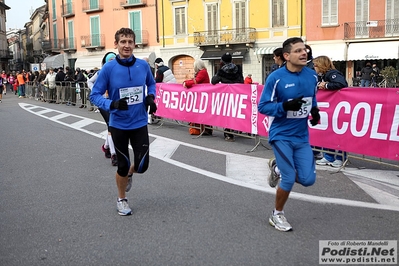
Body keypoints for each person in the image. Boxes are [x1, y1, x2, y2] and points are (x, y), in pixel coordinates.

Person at [90, 27, 157, 216]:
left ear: (134, 44)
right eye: (123, 42)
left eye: (130, 42)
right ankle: (121, 199)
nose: (126, 45)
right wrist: (112, 104)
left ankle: (129, 174)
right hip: (118, 124)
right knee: (121, 164)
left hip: (139, 122)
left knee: (142, 166)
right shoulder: (109, 68)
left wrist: (151, 97)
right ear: (116, 44)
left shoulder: (143, 66)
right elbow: (94, 95)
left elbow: (151, 83)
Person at [258, 37, 320, 232]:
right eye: (298, 51)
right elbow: (263, 106)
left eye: (305, 50)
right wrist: (284, 106)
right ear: (286, 56)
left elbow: (312, 98)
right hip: (281, 134)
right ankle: (277, 214)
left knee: (308, 179)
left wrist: (315, 111)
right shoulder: (276, 78)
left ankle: (277, 168)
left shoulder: (312, 76)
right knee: (289, 177)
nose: (304, 53)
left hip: (302, 136)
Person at [312, 55, 348, 168]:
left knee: (338, 134)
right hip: (329, 108)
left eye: (316, 65)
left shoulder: (332, 74)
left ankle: (340, 158)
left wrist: (326, 85)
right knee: (328, 133)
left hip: (338, 107)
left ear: (321, 65)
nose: (314, 67)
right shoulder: (321, 76)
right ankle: (328, 156)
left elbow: (342, 84)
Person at [88, 52, 118, 166]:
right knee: (111, 127)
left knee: (112, 126)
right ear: (105, 62)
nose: (112, 61)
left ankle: (106, 147)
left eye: (114, 59)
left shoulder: (119, 72)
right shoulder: (101, 72)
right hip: (104, 104)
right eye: (110, 60)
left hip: (115, 103)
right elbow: (89, 81)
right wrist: (96, 92)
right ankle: (114, 154)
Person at [211, 52, 244, 141]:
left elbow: (214, 81)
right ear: (231, 60)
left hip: (227, 96)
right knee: (236, 113)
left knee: (227, 114)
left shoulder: (222, 71)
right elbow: (242, 81)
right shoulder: (238, 69)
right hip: (237, 95)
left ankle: (228, 133)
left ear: (222, 61)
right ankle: (237, 130)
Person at [183, 59, 213, 136]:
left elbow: (196, 81)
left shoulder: (202, 72)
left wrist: (186, 83)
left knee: (201, 113)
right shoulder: (203, 72)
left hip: (202, 96)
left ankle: (203, 129)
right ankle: (205, 129)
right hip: (202, 95)